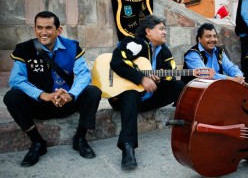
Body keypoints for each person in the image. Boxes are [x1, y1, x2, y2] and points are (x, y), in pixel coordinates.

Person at [3, 11, 102, 167]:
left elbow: (84, 75)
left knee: (93, 91)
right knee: (11, 97)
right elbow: (16, 80)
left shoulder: (72, 47)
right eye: (39, 28)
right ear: (35, 29)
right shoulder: (24, 49)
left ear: (59, 30)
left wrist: (70, 94)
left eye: (48, 28)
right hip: (39, 104)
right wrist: (43, 95)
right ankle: (37, 143)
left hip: (66, 102)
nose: (43, 32)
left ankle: (80, 138)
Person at [109, 15, 185, 169]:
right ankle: (127, 147)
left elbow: (172, 72)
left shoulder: (164, 50)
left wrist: (160, 80)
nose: (165, 32)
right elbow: (117, 62)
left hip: (147, 99)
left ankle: (185, 128)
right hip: (122, 99)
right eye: (161, 29)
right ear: (148, 31)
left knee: (178, 85)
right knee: (131, 93)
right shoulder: (135, 43)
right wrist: (141, 79)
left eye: (165, 29)